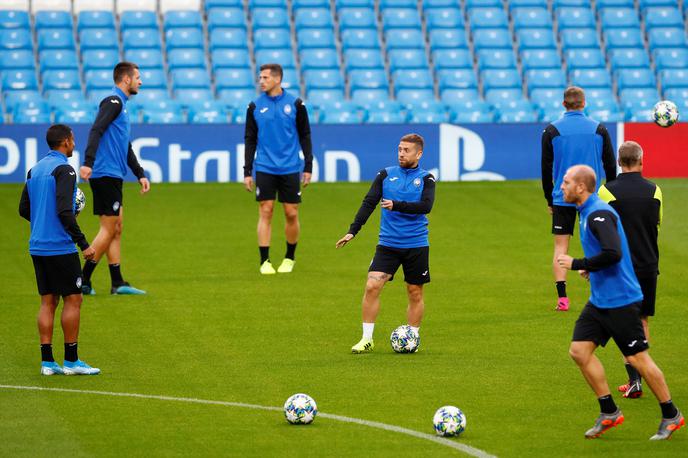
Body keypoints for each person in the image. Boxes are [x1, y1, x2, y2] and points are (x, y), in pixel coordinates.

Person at [556, 165, 683, 440]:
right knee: (579, 351)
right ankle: (609, 411)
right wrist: (591, 267)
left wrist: (578, 262)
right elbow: (609, 252)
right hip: (600, 301)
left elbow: (613, 252)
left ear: (581, 187)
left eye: (566, 182)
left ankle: (671, 414)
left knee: (639, 359)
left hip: (621, 301)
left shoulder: (599, 213)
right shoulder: (587, 211)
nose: (561, 186)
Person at [336, 134, 436, 354]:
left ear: (418, 153)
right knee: (372, 286)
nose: (401, 153)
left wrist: (397, 205)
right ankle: (366, 339)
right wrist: (353, 231)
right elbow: (369, 202)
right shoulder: (385, 175)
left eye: (406, 150)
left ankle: (412, 337)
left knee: (414, 293)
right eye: (399, 149)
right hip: (388, 244)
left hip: (416, 244)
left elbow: (426, 206)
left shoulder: (426, 179)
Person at [19, 124, 100, 375]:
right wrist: (84, 244)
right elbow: (65, 211)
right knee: (73, 300)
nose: (74, 143)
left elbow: (24, 209)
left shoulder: (35, 170)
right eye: (73, 139)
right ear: (65, 141)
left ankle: (47, 363)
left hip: (37, 246)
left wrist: (43, 221)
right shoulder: (64, 170)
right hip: (60, 247)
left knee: (47, 302)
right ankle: (72, 361)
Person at [541, 86, 617, 311]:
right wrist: (609, 191)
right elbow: (610, 164)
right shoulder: (599, 129)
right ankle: (600, 293)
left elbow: (545, 168)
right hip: (591, 198)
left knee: (560, 246)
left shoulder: (552, 130)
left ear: (564, 104)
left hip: (562, 196)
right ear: (584, 103)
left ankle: (563, 298)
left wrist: (549, 198)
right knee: (595, 243)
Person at [598, 141, 663, 399]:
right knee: (642, 320)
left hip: (620, 268)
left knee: (624, 323)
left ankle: (634, 379)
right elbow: (657, 223)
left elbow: (602, 230)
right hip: (648, 264)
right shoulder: (655, 191)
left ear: (618, 163)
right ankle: (642, 377)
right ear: (642, 161)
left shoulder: (606, 192)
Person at [79, 61, 150, 295]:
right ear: (126, 79)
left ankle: (117, 282)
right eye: (137, 77)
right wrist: (88, 162)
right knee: (108, 229)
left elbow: (124, 145)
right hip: (104, 173)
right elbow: (96, 129)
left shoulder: (123, 105)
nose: (141, 81)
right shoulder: (113, 101)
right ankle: (82, 280)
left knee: (117, 227)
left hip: (113, 174)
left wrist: (139, 173)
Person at [243, 63, 313, 275]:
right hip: (264, 166)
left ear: (277, 79)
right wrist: (247, 171)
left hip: (290, 166)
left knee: (291, 212)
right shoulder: (254, 106)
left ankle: (289, 257)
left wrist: (308, 166)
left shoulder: (296, 104)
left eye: (265, 77)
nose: (261, 81)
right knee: (266, 209)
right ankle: (265, 261)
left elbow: (305, 135)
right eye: (260, 78)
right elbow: (250, 139)